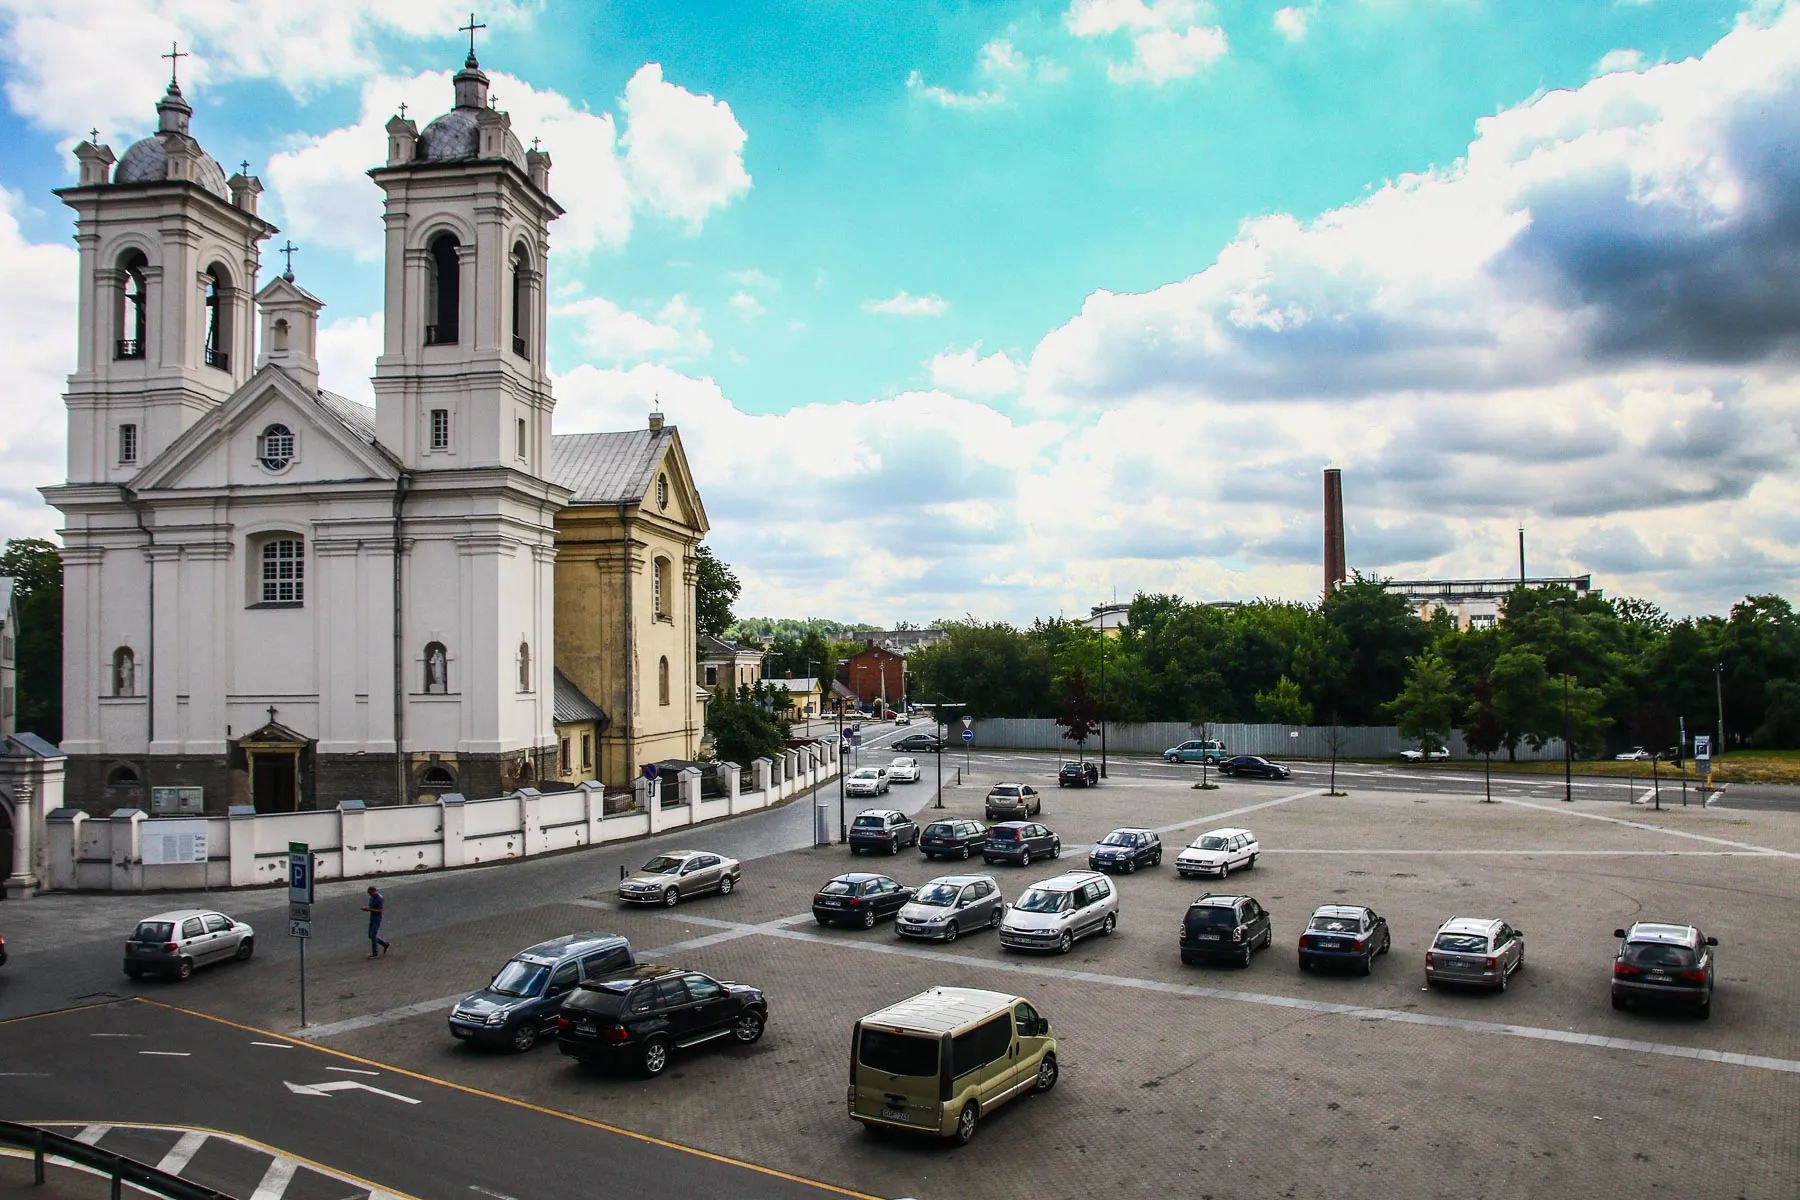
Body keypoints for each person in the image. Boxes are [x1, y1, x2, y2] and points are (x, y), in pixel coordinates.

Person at [361, 886, 391, 958]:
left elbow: (380, 910)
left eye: (370, 893)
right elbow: (371, 907)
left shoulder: (379, 898)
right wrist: (367, 909)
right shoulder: (372, 898)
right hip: (372, 917)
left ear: (374, 891)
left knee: (373, 935)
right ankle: (385, 944)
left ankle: (375, 953)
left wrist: (370, 909)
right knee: (370, 935)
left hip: (377, 918)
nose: (369, 894)